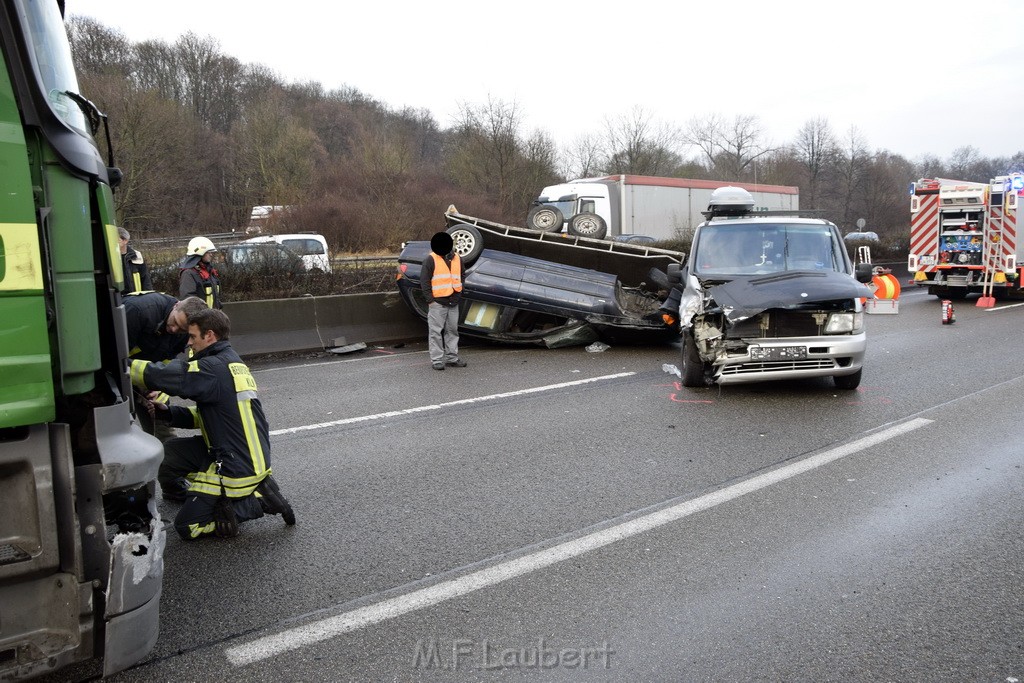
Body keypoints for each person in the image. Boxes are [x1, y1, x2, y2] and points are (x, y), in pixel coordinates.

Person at [130, 308, 295, 539]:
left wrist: (124, 368)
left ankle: (257, 502)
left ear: (209, 336)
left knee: (188, 527)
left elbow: (171, 375)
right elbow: (207, 416)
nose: (188, 343)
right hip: (236, 451)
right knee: (164, 455)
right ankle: (186, 493)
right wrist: (168, 412)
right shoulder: (230, 362)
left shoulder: (213, 368)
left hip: (233, 465)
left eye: (192, 337)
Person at [124, 293, 208, 440]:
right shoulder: (138, 311)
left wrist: (158, 386)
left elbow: (167, 360)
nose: (174, 330)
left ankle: (167, 452)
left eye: (181, 329)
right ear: (176, 305)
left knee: (159, 410)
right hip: (119, 366)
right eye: (175, 321)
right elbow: (113, 354)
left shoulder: (185, 332)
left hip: (147, 370)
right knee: (118, 417)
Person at [420, 232, 466, 371]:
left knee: (452, 331)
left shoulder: (457, 258)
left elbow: (462, 275)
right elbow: (424, 281)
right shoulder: (431, 259)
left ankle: (452, 358)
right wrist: (430, 300)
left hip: (453, 301)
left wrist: (458, 292)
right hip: (438, 302)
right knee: (435, 332)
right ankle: (437, 360)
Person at [179, 236, 222, 309]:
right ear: (200, 252)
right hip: (200, 318)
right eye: (208, 252)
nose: (211, 254)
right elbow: (188, 300)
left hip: (212, 316)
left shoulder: (210, 271)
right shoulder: (188, 273)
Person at [118, 227, 152, 295]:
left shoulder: (136, 256)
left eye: (116, 239)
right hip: (116, 300)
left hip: (135, 298)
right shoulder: (109, 257)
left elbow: (145, 280)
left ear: (125, 240)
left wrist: (148, 297)